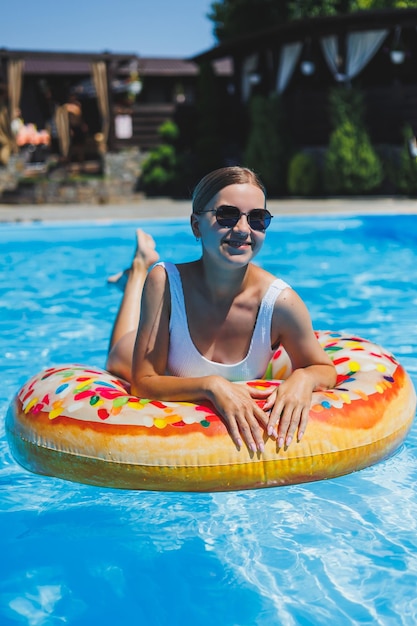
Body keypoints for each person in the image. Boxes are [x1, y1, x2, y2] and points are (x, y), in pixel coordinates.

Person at [106, 166, 336, 454]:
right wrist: (211, 386)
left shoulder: (281, 304)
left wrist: (302, 378)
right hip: (151, 348)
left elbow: (324, 369)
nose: (242, 229)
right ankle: (137, 270)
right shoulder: (164, 282)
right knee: (117, 355)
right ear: (196, 225)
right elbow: (143, 383)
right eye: (226, 215)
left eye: (257, 219)